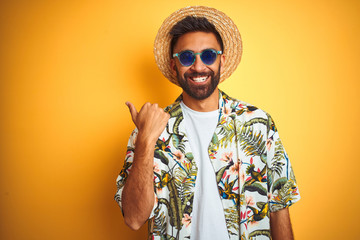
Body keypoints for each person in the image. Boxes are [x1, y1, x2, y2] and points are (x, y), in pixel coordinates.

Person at [115, 6, 300, 240]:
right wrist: (146, 140)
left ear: (221, 60)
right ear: (174, 65)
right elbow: (133, 219)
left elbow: (278, 208)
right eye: (186, 57)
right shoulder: (148, 130)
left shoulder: (259, 124)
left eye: (209, 55)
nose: (199, 66)